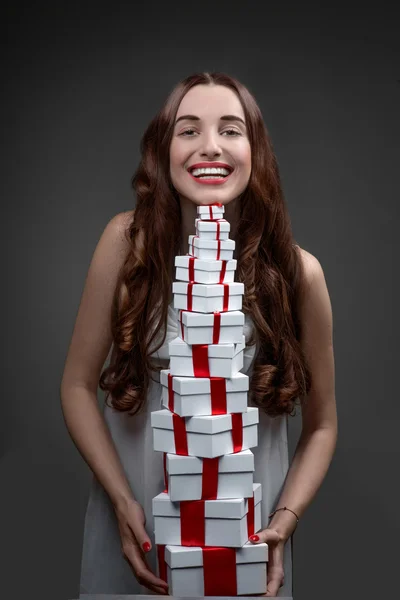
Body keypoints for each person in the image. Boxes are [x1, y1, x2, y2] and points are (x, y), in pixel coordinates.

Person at [60, 71, 337, 598]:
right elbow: (75, 385)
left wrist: (284, 519)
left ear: (256, 151)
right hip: (139, 526)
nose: (209, 146)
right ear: (164, 151)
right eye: (188, 130)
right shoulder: (126, 243)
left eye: (231, 130)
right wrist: (122, 503)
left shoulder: (300, 274)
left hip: (245, 537)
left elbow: (322, 424)